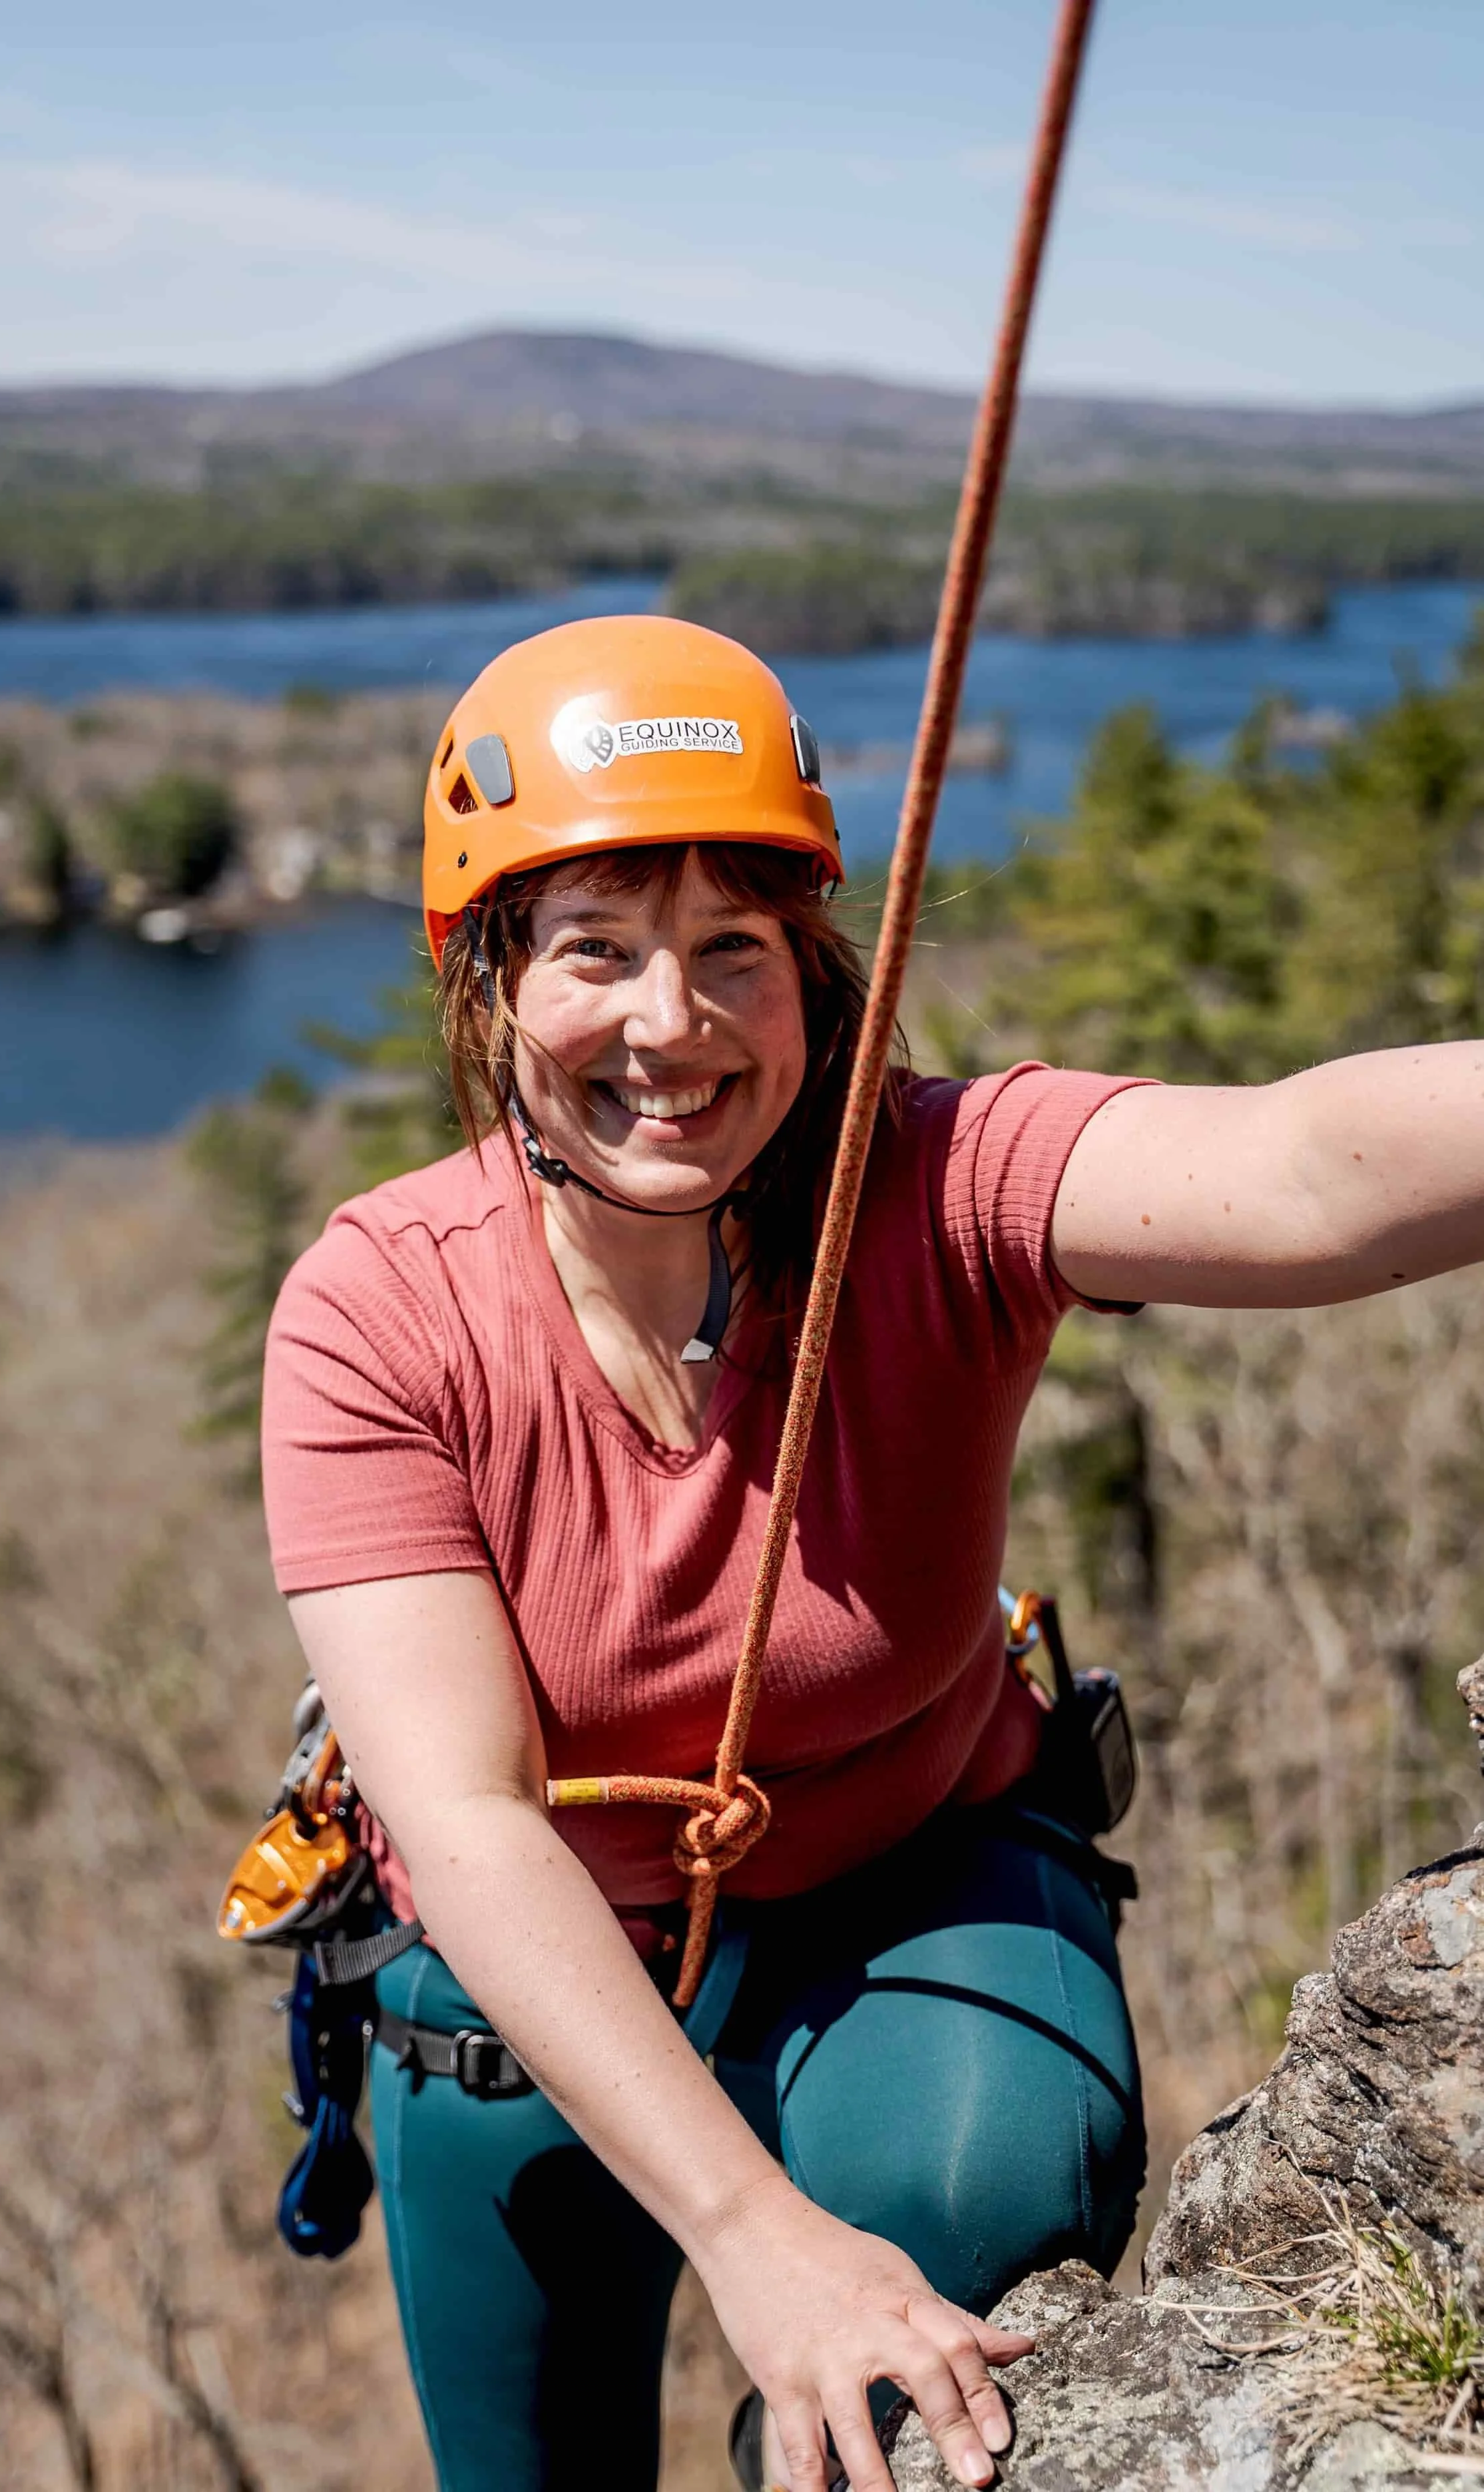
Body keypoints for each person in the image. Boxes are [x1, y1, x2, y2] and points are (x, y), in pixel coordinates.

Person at [262, 615, 1484, 2492]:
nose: (669, 1025)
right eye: (594, 947)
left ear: (816, 976)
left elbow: (1306, 1171)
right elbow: (475, 1816)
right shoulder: (377, 1314)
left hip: (903, 1879)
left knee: (954, 2246)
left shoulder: (939, 1189)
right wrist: (753, 2238)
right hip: (528, 1959)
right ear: (490, 980)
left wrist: (823, 2274)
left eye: (729, 951)